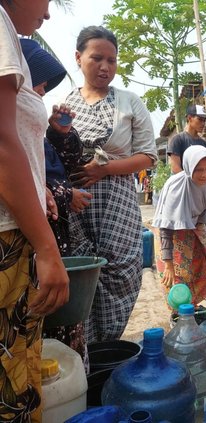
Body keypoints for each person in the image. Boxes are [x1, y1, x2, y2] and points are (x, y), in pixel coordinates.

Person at [64, 26, 158, 343]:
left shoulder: (130, 102)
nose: (105, 67)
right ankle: (87, 350)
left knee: (122, 274)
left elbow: (148, 156)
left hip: (117, 203)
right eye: (97, 58)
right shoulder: (65, 107)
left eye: (112, 60)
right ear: (78, 58)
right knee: (82, 275)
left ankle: (109, 343)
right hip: (76, 207)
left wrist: (103, 169)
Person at [0, 1, 69, 421]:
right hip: (7, 237)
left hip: (16, 223)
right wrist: (47, 248)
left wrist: (35, 185)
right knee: (13, 383)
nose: (46, 15)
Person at [20, 38, 93, 368]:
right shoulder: (14, 133)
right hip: (39, 243)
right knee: (49, 322)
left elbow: (69, 161)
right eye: (39, 84)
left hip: (58, 239)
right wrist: (67, 196)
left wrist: (61, 133)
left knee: (66, 320)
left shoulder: (36, 131)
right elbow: (28, 182)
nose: (42, 93)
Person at [152, 145, 206, 306]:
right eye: (199, 170)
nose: (205, 174)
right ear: (188, 168)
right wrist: (169, 264)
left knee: (205, 266)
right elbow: (166, 228)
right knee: (178, 277)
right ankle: (179, 315)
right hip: (172, 233)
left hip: (196, 226)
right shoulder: (176, 187)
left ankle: (194, 308)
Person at [167, 104, 206, 174]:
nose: (203, 123)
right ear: (189, 118)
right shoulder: (178, 140)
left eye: (204, 120)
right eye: (200, 119)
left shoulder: (205, 144)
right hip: (183, 183)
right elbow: (175, 169)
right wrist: (190, 183)